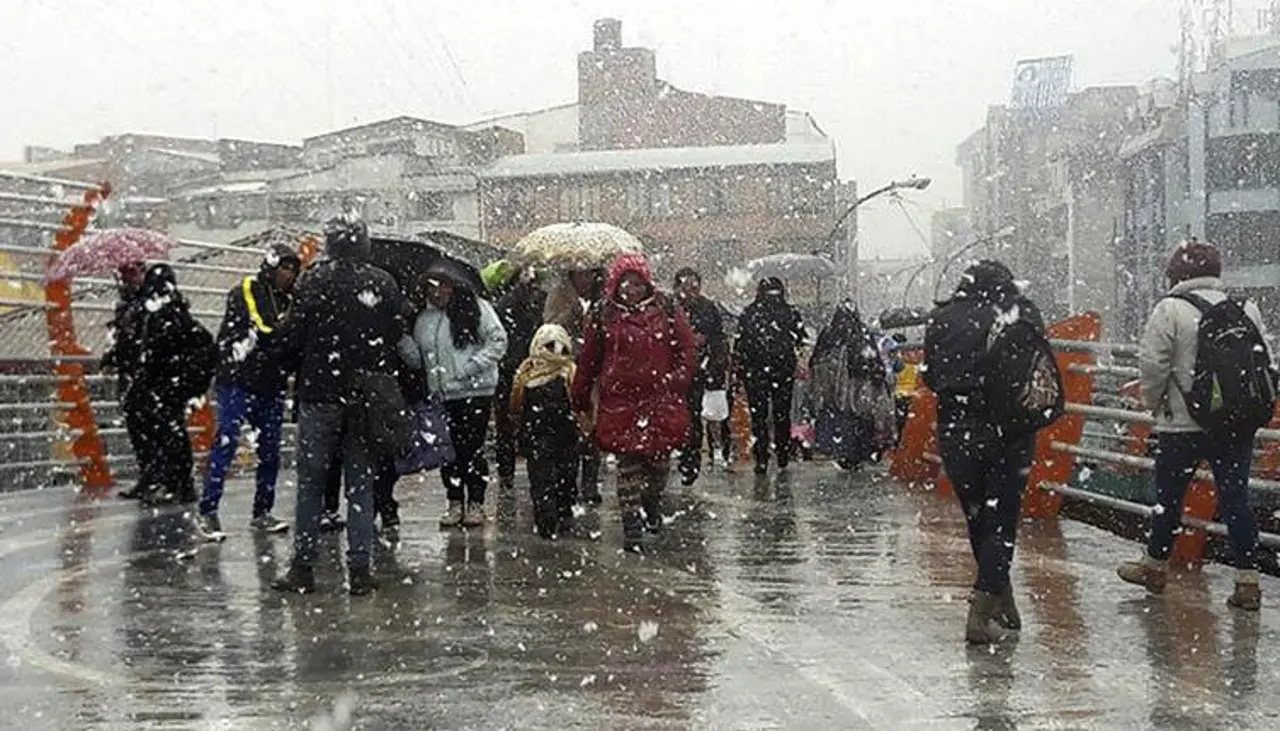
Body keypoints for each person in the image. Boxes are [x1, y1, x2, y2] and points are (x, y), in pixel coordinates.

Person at [1117, 241, 1274, 611]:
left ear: (1176, 274)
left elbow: (1153, 365)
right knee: (1236, 499)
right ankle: (1247, 581)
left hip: (1181, 425)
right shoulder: (1245, 307)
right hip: (1234, 423)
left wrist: (1156, 404)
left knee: (1168, 500)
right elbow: (1264, 359)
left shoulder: (1169, 309)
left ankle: (1155, 566)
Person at [271, 216, 407, 597]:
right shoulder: (383, 282)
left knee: (311, 485)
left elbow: (292, 337)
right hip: (364, 397)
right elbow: (396, 332)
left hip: (320, 392)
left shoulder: (313, 280)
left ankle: (303, 566)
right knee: (360, 484)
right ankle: (360, 568)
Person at [923, 259, 1043, 644]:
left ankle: (1000, 599)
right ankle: (981, 609)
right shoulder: (1018, 312)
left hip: (956, 429)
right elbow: (1037, 365)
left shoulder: (942, 318)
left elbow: (930, 375)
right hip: (1008, 429)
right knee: (1003, 519)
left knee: (978, 518)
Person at [572, 254, 696, 552]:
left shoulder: (666, 308)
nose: (632, 289)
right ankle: (632, 527)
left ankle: (651, 502)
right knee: (628, 465)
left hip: (660, 400)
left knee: (658, 465)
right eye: (626, 282)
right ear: (616, 284)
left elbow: (686, 348)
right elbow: (589, 360)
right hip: (621, 402)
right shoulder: (604, 314)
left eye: (637, 282)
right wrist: (580, 397)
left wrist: (676, 379)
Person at [195, 244, 300, 541]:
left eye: (293, 270)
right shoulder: (248, 289)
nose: (288, 275)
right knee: (226, 442)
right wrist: (288, 328)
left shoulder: (290, 301)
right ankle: (208, 510)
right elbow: (264, 327)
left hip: (270, 383)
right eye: (285, 268)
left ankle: (262, 511)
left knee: (270, 450)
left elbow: (288, 339)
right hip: (238, 379)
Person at [401, 262, 508, 530]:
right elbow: (418, 360)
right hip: (442, 395)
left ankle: (476, 502)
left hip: (475, 391)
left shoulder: (478, 309)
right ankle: (455, 500)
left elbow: (497, 341)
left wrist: (470, 367)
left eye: (442, 286)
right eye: (431, 288)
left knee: (471, 448)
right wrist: (402, 342)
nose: (437, 293)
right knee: (448, 451)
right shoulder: (424, 320)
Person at [510, 324, 579, 539]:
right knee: (542, 478)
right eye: (551, 346)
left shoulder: (570, 373)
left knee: (565, 474)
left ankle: (562, 510)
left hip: (563, 434)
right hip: (538, 434)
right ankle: (546, 517)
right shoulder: (526, 374)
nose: (556, 353)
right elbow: (516, 406)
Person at [545, 267, 607, 505]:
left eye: (590, 273)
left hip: (593, 368)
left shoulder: (602, 297)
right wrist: (571, 314)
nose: (586, 278)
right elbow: (549, 328)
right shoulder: (559, 294)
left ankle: (590, 483)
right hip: (566, 365)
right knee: (570, 427)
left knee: (592, 424)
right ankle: (567, 482)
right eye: (581, 273)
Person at [810, 302, 896, 470]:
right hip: (860, 389)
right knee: (860, 421)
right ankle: (859, 453)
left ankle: (844, 453)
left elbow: (816, 361)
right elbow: (874, 364)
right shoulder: (861, 334)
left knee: (841, 422)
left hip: (833, 392)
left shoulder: (830, 334)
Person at [733, 277, 805, 475]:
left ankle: (767, 455)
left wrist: (739, 371)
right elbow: (799, 339)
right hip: (770, 371)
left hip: (761, 371)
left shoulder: (751, 313)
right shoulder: (788, 312)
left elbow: (740, 345)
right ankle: (776, 453)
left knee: (763, 416)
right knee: (775, 415)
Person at [494, 266, 547, 491]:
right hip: (514, 369)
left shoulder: (538, 302)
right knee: (508, 424)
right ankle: (507, 472)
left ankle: (512, 471)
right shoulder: (507, 305)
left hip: (529, 368)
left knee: (518, 424)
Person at [673, 267, 727, 485]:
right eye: (686, 287)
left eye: (695, 287)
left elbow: (718, 339)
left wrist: (714, 365)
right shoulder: (670, 308)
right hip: (674, 371)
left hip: (697, 371)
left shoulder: (708, 308)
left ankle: (690, 459)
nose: (691, 291)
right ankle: (677, 451)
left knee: (693, 415)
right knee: (676, 414)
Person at [102, 262, 148, 500]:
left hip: (147, 373)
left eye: (133, 273)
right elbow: (120, 338)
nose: (128, 279)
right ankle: (147, 477)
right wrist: (110, 358)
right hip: (131, 371)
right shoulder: (125, 305)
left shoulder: (150, 302)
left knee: (151, 428)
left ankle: (156, 477)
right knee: (137, 427)